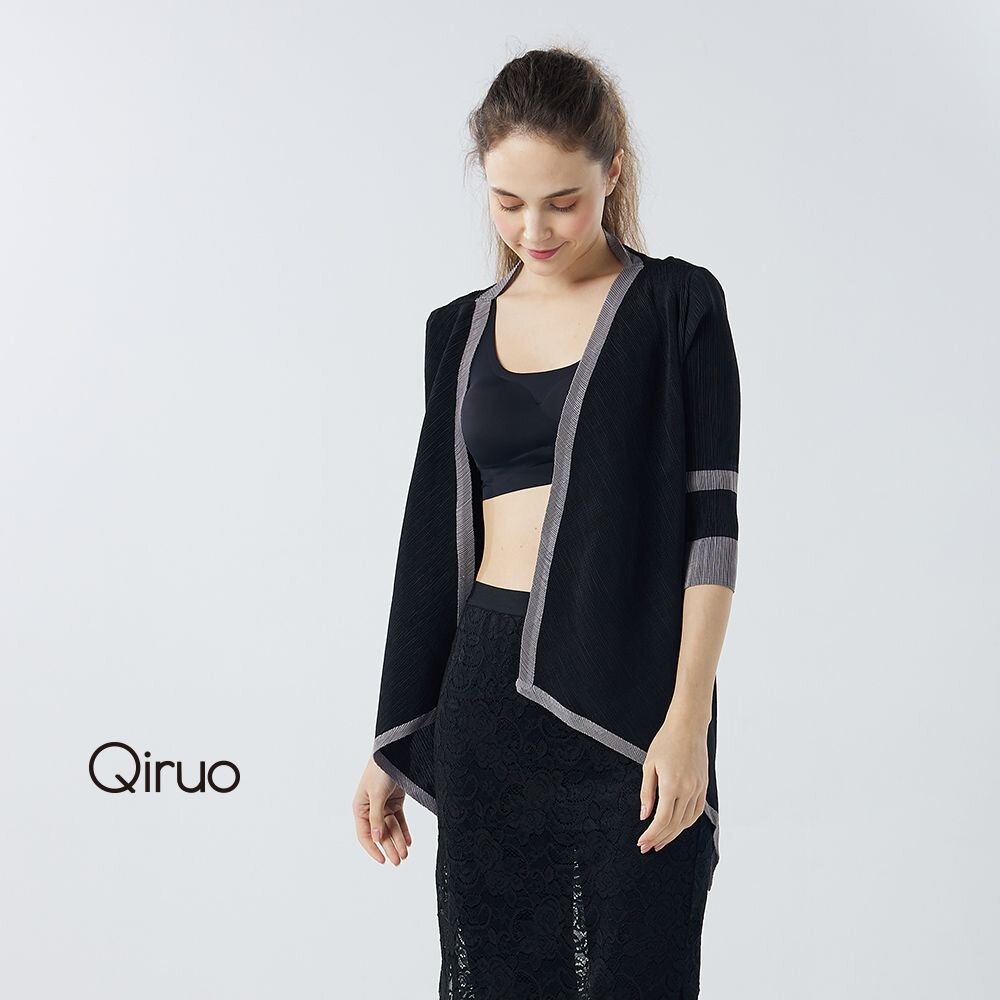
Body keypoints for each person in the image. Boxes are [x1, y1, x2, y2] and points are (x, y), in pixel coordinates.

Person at [353, 45, 740, 1000]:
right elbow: (427, 546)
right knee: (493, 975)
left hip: (634, 700)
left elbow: (712, 528)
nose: (534, 229)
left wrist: (687, 719)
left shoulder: (678, 305)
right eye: (507, 202)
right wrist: (392, 738)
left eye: (562, 201)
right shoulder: (457, 330)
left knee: (641, 970)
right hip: (485, 690)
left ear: (612, 172)